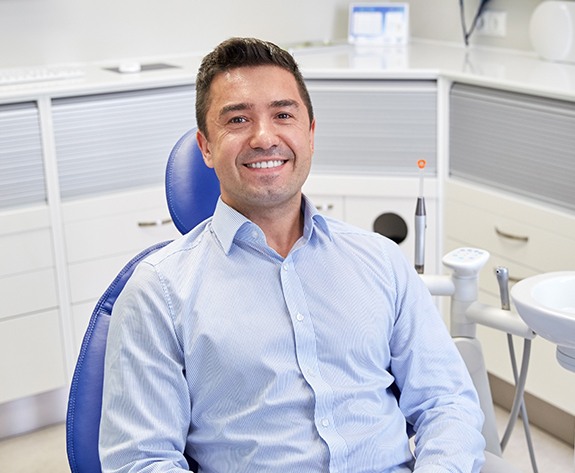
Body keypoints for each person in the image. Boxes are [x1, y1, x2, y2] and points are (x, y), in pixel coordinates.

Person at [99, 37, 486, 472]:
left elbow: (447, 402)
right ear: (206, 147)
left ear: (310, 133)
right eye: (238, 120)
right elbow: (142, 461)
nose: (265, 138)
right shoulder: (160, 292)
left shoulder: (380, 261)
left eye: (283, 115)